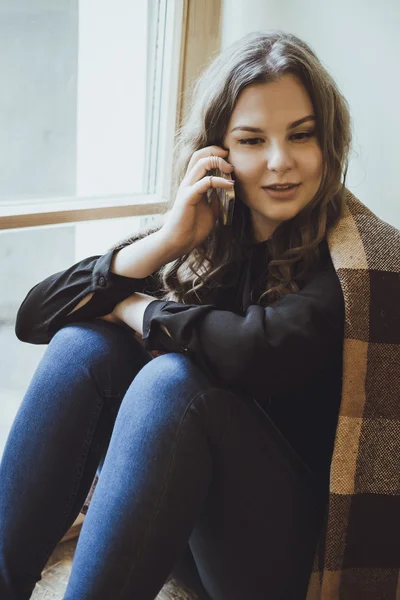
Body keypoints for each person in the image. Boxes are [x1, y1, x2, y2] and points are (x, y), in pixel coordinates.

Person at [0, 30, 351, 599]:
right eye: (252, 139)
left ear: (328, 142)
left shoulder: (349, 263)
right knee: (85, 345)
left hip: (284, 561)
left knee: (173, 384)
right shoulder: (210, 236)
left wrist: (137, 307)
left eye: (301, 135)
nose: (280, 162)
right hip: (184, 525)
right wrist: (165, 239)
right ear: (217, 154)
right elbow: (36, 317)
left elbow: (255, 353)